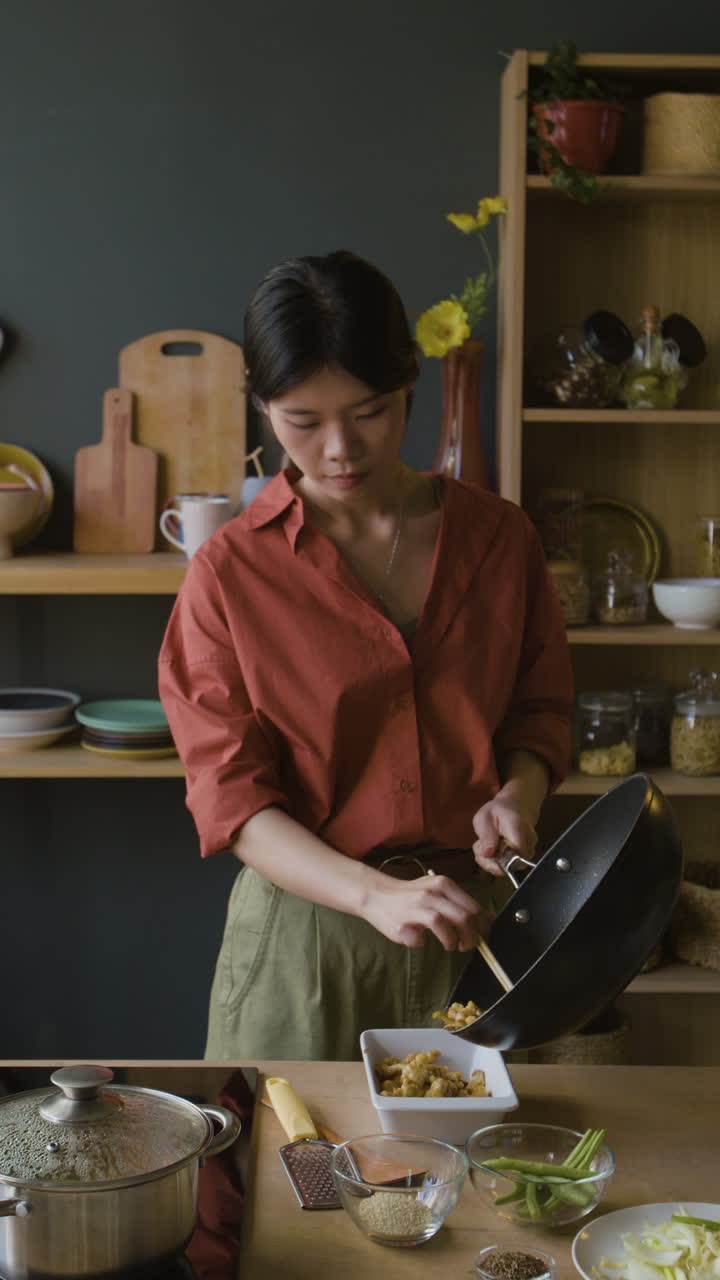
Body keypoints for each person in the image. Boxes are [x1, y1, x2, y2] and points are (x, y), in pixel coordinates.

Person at [158, 249, 573, 1060]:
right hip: (307, 940)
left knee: (490, 1175)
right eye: (303, 422)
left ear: (410, 382)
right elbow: (233, 802)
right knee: (289, 1175)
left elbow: (538, 710)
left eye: (370, 412)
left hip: (475, 925)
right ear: (263, 407)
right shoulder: (229, 574)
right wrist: (373, 895)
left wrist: (517, 796)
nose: (341, 449)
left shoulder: (500, 539)